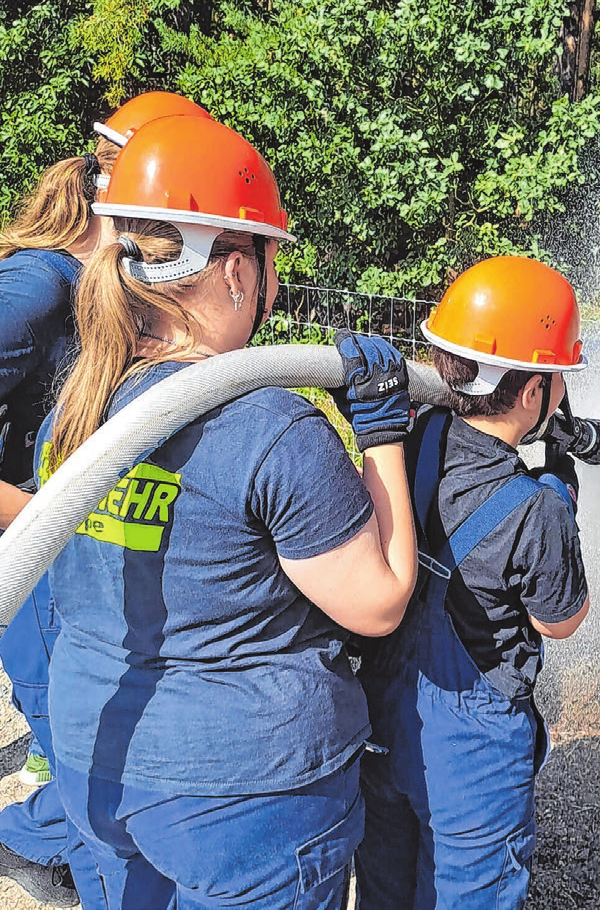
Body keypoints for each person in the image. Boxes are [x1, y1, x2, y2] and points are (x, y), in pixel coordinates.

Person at [36, 113, 417, 908]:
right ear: (238, 270)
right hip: (247, 794)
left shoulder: (76, 411)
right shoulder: (271, 427)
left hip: (95, 757)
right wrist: (383, 436)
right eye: (270, 257)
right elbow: (377, 601)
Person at [0, 92, 213, 908]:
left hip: (81, 556)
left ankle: (44, 838)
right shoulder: (37, 286)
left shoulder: (111, 284)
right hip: (42, 562)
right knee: (92, 756)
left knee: (104, 747)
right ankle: (46, 851)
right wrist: (41, 518)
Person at [354, 255, 600, 910]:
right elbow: (561, 619)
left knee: (386, 886)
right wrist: (558, 486)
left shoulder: (410, 436)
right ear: (533, 392)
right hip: (472, 752)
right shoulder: (537, 506)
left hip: (384, 719)